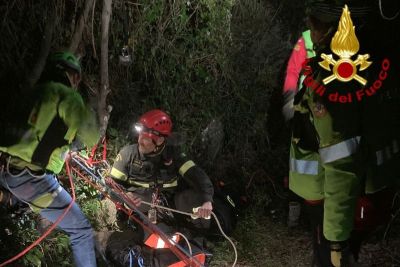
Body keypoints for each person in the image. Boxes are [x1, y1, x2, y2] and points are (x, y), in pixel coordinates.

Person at [289, 0, 400, 266]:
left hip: (331, 198)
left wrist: (336, 240)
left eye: (314, 24)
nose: (310, 31)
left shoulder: (338, 76)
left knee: (330, 257)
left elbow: (341, 160)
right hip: (366, 189)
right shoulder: (377, 63)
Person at [0, 51, 100, 267]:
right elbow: (90, 136)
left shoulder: (31, 92)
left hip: (4, 170)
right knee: (81, 229)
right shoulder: (67, 96)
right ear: (73, 76)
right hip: (30, 179)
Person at [110, 109, 214, 233]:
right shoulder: (127, 154)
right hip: (142, 201)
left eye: (145, 138)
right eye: (140, 135)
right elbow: (111, 185)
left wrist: (207, 200)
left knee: (199, 200)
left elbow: (197, 175)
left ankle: (201, 233)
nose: (140, 141)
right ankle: (131, 224)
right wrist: (124, 195)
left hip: (170, 201)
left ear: (159, 140)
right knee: (141, 210)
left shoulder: (174, 154)